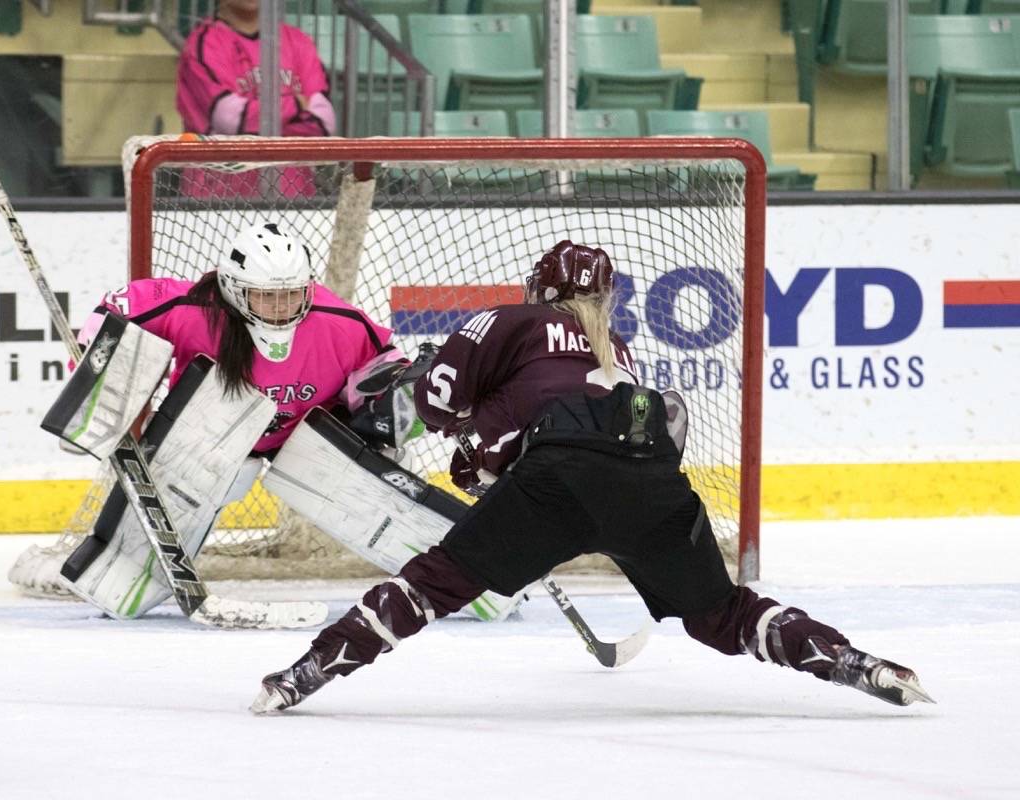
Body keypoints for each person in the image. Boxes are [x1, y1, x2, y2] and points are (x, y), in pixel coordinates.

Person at [250, 240, 935, 714]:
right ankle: (855, 662)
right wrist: (489, 454)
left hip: (557, 481)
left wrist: (462, 437)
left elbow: (435, 403)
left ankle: (307, 671)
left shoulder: (507, 319)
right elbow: (585, 423)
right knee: (719, 615)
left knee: (435, 582)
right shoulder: (622, 350)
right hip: (653, 479)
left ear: (539, 290)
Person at [57, 222, 418, 616]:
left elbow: (385, 365)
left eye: (292, 295)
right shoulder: (192, 308)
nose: (281, 308)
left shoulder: (340, 322)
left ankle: (446, 570)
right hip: (215, 428)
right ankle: (127, 571)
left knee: (388, 466)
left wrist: (395, 402)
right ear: (232, 287)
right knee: (229, 476)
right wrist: (94, 384)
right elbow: (119, 306)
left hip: (307, 430)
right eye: (265, 297)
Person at [176, 0, 335, 197]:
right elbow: (231, 120)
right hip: (217, 204)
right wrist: (296, 105)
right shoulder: (204, 44)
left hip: (294, 202)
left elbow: (324, 123)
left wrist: (256, 119)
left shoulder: (298, 41)